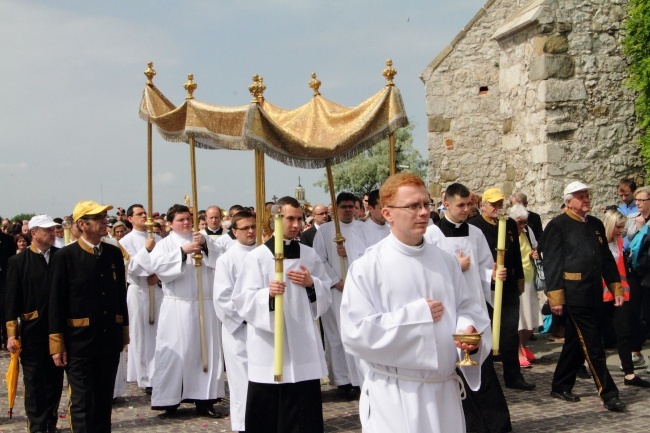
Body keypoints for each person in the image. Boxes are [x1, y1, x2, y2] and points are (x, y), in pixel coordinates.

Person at [340, 173, 491, 433]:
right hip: (396, 394)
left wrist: (468, 331)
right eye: (413, 206)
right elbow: (355, 333)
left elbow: (468, 307)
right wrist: (416, 315)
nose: (423, 212)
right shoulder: (368, 267)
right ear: (387, 213)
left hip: (444, 391)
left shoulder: (445, 262)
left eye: (426, 204)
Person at [232, 196, 332, 433]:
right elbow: (242, 299)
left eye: (299, 218)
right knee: (269, 406)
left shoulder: (308, 255)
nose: (297, 224)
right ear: (276, 220)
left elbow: (325, 290)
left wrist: (311, 283)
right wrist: (266, 294)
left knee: (303, 405)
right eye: (290, 218)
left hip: (302, 339)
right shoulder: (257, 257)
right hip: (270, 343)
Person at [425, 182, 511, 433]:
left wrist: (493, 275)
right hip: (447, 313)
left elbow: (485, 265)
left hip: (472, 309)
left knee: (481, 368)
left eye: (468, 205)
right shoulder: (432, 235)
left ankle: (495, 425)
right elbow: (428, 273)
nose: (465, 210)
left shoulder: (475, 233)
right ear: (446, 203)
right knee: (455, 373)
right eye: (460, 205)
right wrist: (454, 265)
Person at [544, 181, 626, 411]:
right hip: (574, 294)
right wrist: (556, 298)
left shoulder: (596, 224)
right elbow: (551, 262)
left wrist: (615, 288)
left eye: (587, 195)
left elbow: (606, 260)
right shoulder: (558, 225)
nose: (586, 199)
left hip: (594, 293)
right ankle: (609, 394)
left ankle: (560, 384)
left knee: (575, 341)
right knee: (593, 344)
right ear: (569, 201)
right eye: (580, 196)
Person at [49, 201, 129, 432]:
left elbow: (118, 296)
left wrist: (122, 329)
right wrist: (57, 342)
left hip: (108, 339)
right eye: (99, 218)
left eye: (105, 216)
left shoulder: (113, 253)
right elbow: (56, 301)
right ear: (82, 224)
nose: (106, 221)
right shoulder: (65, 256)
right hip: (79, 340)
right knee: (83, 402)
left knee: (104, 402)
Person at [149, 204, 225, 417]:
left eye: (188, 219)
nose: (185, 223)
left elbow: (222, 261)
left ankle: (205, 400)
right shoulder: (164, 244)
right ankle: (170, 400)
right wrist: (182, 252)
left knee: (206, 352)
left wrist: (207, 247)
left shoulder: (202, 238)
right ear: (170, 223)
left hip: (204, 303)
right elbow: (159, 268)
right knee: (174, 353)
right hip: (177, 305)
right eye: (180, 219)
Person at [468, 188, 535, 391]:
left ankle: (513, 375)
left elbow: (515, 252)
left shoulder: (510, 225)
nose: (497, 208)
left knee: (509, 332)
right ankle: (485, 378)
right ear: (483, 206)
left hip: (508, 285)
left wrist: (519, 279)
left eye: (500, 204)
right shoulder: (474, 227)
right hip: (485, 288)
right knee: (485, 330)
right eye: (493, 204)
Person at [6, 215, 64, 433]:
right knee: (34, 382)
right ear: (34, 233)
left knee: (55, 381)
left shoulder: (61, 256)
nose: (52, 233)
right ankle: (37, 426)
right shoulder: (18, 262)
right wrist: (12, 333)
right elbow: (11, 301)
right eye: (47, 230)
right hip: (32, 332)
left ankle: (50, 422)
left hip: (57, 332)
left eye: (53, 229)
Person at [313, 192, 367, 395]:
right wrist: (336, 281)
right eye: (343, 206)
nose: (348, 210)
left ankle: (359, 378)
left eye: (351, 207)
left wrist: (350, 254)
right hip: (335, 290)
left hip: (358, 290)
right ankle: (342, 379)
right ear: (335, 209)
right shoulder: (326, 230)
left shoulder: (362, 228)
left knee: (357, 332)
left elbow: (369, 256)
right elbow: (318, 259)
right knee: (337, 335)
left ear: (356, 208)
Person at [213, 210, 258, 433]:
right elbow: (222, 297)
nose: (251, 231)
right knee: (242, 380)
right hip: (239, 330)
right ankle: (242, 424)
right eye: (245, 228)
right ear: (234, 232)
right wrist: (249, 316)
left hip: (264, 328)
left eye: (253, 226)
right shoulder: (227, 259)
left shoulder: (265, 254)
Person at [601, 210, 650, 387]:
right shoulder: (599, 243)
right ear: (609, 225)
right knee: (597, 334)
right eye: (618, 227)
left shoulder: (619, 241)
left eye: (622, 227)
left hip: (619, 293)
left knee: (624, 332)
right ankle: (591, 370)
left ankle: (629, 373)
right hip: (601, 294)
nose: (621, 230)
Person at [119, 204, 162, 395]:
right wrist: (146, 251)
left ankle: (158, 372)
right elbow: (131, 267)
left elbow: (167, 261)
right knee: (140, 333)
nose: (144, 216)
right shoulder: (125, 241)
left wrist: (158, 275)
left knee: (158, 333)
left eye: (145, 213)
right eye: (139, 214)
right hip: (138, 290)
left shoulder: (158, 239)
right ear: (130, 218)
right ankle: (144, 375)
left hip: (156, 289)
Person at [508, 204, 540, 367]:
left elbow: (535, 247)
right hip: (514, 280)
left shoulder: (527, 232)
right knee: (519, 319)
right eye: (520, 222)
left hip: (528, 277)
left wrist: (534, 254)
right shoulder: (507, 233)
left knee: (530, 319)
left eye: (524, 222)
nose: (523, 225)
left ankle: (524, 346)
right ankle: (518, 350)